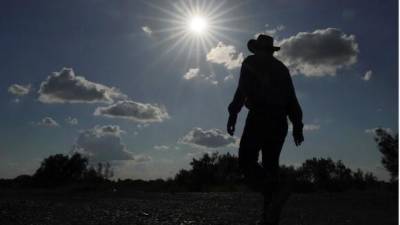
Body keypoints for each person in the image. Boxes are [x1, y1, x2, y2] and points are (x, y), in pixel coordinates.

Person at [226, 35, 304, 225]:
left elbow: (242, 89)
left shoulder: (251, 62)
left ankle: (274, 194)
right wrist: (297, 127)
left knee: (246, 161)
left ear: (258, 49)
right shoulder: (282, 69)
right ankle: (269, 217)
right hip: (280, 121)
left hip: (260, 117)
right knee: (271, 167)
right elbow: (292, 100)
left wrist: (233, 113)